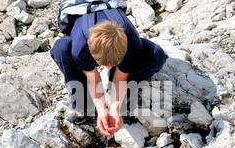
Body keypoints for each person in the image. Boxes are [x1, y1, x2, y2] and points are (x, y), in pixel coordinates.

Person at [50, 7, 167, 138]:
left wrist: (114, 108)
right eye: (104, 64)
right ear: (89, 48)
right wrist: (102, 110)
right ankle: (82, 102)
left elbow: (120, 79)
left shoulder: (132, 42)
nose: (109, 68)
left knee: (157, 55)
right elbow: (93, 79)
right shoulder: (81, 47)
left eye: (115, 65)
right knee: (61, 49)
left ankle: (124, 94)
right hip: (82, 39)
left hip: (125, 44)